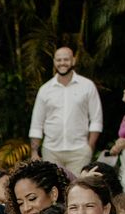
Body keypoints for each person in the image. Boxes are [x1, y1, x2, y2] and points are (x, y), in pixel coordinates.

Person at [27, 46, 103, 175]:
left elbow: (96, 119)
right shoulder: (45, 89)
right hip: (51, 151)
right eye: (59, 60)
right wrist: (34, 152)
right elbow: (37, 123)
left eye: (66, 59)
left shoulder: (87, 86)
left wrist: (89, 147)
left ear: (73, 60)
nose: (62, 63)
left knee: (79, 189)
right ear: (54, 62)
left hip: (79, 151)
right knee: (54, 191)